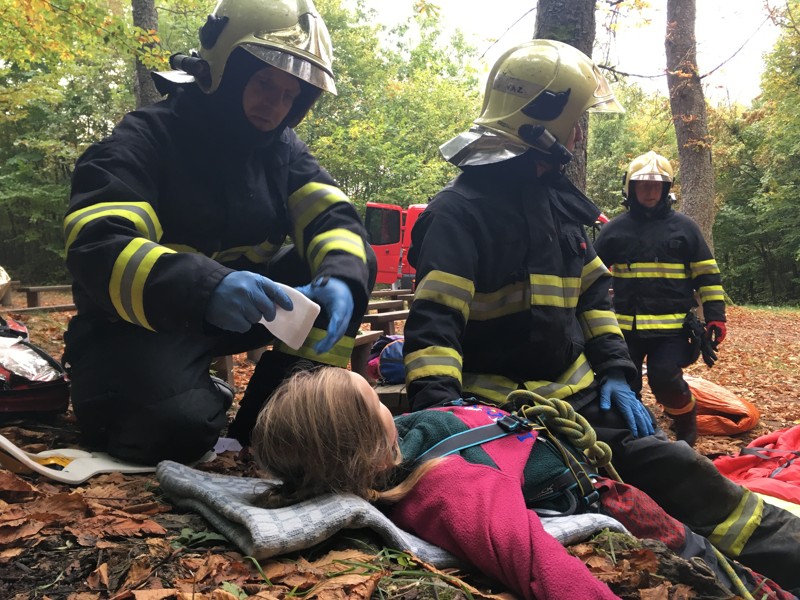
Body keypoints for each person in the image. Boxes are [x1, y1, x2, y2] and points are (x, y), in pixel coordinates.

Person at [400, 39, 800, 587]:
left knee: (685, 471)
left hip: (587, 407)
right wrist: (446, 418)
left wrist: (614, 371)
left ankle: (789, 554)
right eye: (575, 120)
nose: (579, 134)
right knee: (637, 521)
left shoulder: (558, 204)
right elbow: (435, 324)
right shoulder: (460, 215)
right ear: (541, 121)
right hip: (507, 422)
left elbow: (594, 298)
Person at [61, 0, 375, 465]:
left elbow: (334, 217)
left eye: (291, 95)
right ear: (223, 71)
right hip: (140, 323)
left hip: (242, 311)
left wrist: (345, 278)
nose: (275, 106)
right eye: (265, 83)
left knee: (340, 266)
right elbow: (98, 244)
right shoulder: (145, 139)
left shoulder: (283, 151)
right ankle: (177, 393)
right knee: (176, 430)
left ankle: (270, 427)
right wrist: (207, 287)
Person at [251, 367, 797, 600]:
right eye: (373, 398)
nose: (383, 397)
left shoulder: (401, 438)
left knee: (686, 469)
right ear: (362, 435)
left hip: (575, 444)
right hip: (613, 497)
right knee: (722, 564)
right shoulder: (447, 489)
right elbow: (536, 562)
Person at [593, 151, 726, 447]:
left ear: (667, 189)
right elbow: (589, 276)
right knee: (624, 383)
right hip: (625, 329)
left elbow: (707, 275)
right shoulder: (614, 230)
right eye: (643, 185)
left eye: (657, 185)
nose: (650, 191)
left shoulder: (685, 228)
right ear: (630, 188)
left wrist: (716, 314)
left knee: (664, 376)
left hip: (674, 330)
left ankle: (686, 427)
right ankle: (636, 436)